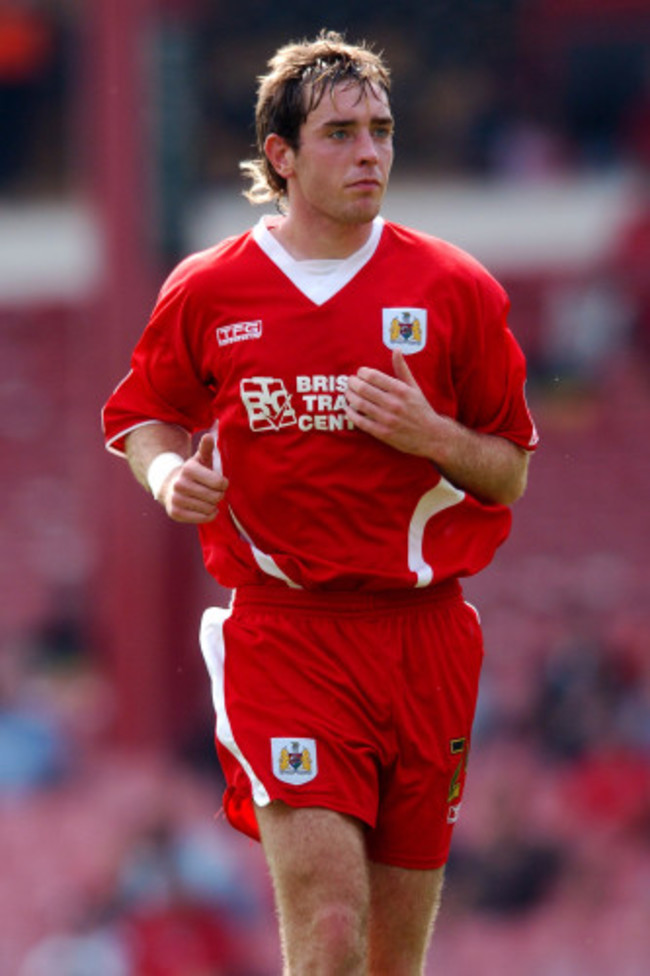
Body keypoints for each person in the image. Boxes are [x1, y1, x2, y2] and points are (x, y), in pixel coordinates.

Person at [102, 30, 538, 975]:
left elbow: (508, 470)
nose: (371, 152)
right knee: (331, 935)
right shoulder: (212, 290)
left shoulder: (455, 289)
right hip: (287, 632)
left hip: (426, 637)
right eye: (341, 133)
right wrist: (169, 476)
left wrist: (436, 438)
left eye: (381, 130)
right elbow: (144, 417)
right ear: (282, 156)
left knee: (388, 959)